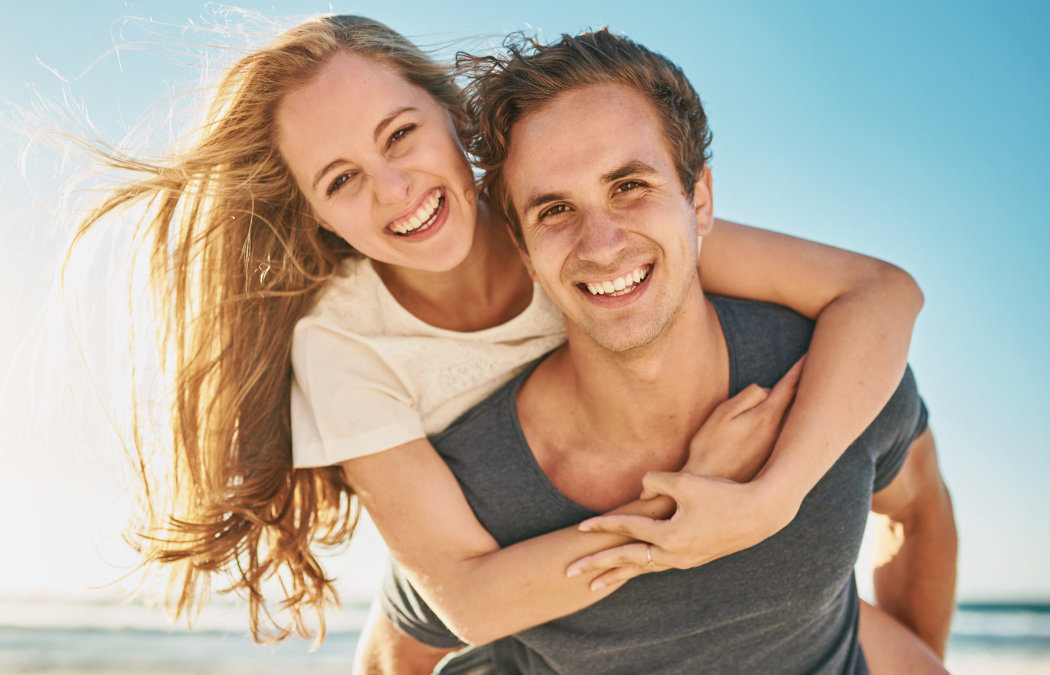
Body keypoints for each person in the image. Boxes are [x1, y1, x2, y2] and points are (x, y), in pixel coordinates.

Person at [66, 13, 927, 660]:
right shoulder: (341, 345)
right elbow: (466, 600)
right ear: (319, 217)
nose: (397, 189)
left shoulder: (571, 220)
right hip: (467, 536)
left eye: (401, 134)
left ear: (454, 119)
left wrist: (773, 496)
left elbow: (878, 291)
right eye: (342, 180)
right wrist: (688, 502)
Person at [367, 29, 957, 674]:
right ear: (523, 249)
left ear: (698, 200)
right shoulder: (479, 480)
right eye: (555, 209)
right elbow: (395, 658)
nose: (600, 244)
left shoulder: (828, 372)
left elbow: (918, 509)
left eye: (629, 186)